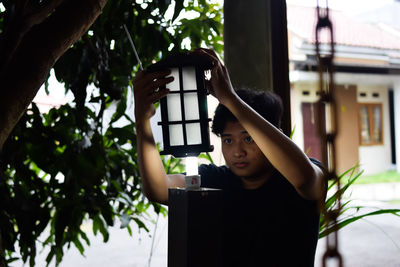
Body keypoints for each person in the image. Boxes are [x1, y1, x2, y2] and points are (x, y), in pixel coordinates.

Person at [133, 48, 326, 267]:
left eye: (249, 139)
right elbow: (158, 189)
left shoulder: (298, 178)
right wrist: (142, 121)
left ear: (270, 136)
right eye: (228, 140)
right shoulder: (217, 180)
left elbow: (305, 179)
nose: (237, 151)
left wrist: (230, 99)